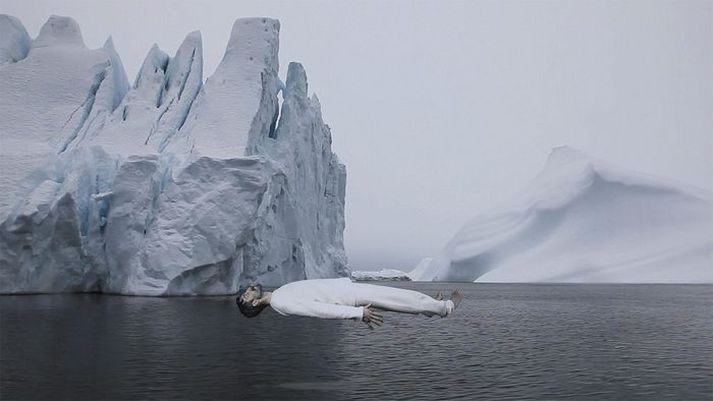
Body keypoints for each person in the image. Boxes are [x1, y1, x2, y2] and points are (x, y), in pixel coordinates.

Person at [236, 277, 463, 328]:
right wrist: (355, 313)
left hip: (348, 291)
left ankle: (433, 307)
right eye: (247, 295)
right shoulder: (281, 302)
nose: (249, 289)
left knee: (402, 301)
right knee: (401, 298)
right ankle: (445, 308)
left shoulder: (280, 295)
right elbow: (318, 310)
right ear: (255, 305)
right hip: (350, 297)